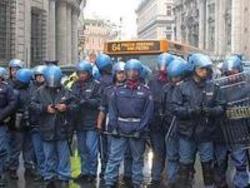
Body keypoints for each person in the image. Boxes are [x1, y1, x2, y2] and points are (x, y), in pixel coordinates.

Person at [172, 53, 224, 188]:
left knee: (208, 166)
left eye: (206, 69)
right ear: (194, 68)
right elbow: (175, 108)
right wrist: (190, 111)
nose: (204, 71)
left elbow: (221, 107)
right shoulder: (182, 87)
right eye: (201, 68)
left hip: (206, 133)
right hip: (186, 133)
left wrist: (210, 111)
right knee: (184, 166)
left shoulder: (213, 86)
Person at [104, 59, 154, 188]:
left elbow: (147, 114)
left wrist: (141, 130)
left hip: (137, 129)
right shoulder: (118, 90)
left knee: (137, 159)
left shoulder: (145, 92)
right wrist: (113, 127)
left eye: (135, 71)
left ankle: (137, 183)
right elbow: (112, 110)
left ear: (139, 73)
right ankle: (109, 182)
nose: (132, 74)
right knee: (114, 158)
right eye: (129, 71)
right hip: (120, 129)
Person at [31, 65, 77, 186]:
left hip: (62, 128)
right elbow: (32, 106)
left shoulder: (66, 91)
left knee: (63, 156)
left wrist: (65, 107)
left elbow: (75, 106)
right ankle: (49, 177)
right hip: (46, 128)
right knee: (48, 155)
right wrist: (45, 108)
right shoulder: (39, 92)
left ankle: (64, 177)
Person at [213, 55, 250, 188]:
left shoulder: (246, 88)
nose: (231, 77)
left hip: (239, 132)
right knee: (220, 161)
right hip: (221, 132)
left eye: (234, 73)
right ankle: (221, 184)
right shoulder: (217, 88)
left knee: (240, 162)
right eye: (228, 73)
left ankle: (241, 184)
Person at [147, 53, 175, 187]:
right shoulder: (152, 80)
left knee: (171, 153)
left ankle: (171, 178)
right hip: (156, 123)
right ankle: (156, 177)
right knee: (158, 151)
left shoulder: (175, 80)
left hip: (171, 123)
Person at [97, 61, 127, 184]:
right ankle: (110, 178)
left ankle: (127, 176)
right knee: (110, 153)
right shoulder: (108, 90)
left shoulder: (131, 89)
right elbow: (103, 109)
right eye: (119, 73)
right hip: (111, 125)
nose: (122, 75)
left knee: (128, 154)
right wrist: (99, 124)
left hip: (127, 125)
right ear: (115, 74)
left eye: (124, 73)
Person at [72, 60, 101, 183]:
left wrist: (87, 101)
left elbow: (100, 101)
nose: (82, 75)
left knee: (91, 149)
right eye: (80, 73)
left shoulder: (96, 84)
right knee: (82, 149)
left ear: (89, 73)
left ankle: (92, 172)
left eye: (84, 73)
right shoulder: (75, 85)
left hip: (91, 122)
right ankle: (84, 171)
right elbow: (71, 98)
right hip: (79, 122)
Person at [162, 58, 189, 188]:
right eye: (172, 77)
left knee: (185, 159)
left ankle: (185, 182)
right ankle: (172, 181)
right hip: (170, 128)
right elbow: (162, 107)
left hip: (186, 129)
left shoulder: (189, 88)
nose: (174, 80)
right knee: (171, 156)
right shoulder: (166, 88)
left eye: (177, 77)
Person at [8, 68, 35, 180]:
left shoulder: (26, 89)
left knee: (27, 147)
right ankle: (13, 168)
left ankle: (27, 168)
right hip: (19, 123)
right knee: (17, 148)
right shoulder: (16, 91)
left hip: (25, 122)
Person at [95, 54, 114, 179]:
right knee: (112, 147)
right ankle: (110, 171)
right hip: (111, 118)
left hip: (101, 117)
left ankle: (104, 169)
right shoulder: (113, 79)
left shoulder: (98, 81)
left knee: (103, 147)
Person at [29, 65, 47, 181]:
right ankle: (40, 171)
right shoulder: (31, 88)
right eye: (38, 76)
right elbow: (30, 104)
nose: (40, 78)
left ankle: (46, 172)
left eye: (42, 76)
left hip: (46, 124)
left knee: (45, 151)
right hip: (34, 124)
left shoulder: (49, 88)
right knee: (37, 151)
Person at [0, 67, 17, 186]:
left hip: (1, 124)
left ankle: (1, 175)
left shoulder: (7, 88)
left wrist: (1, 115)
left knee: (3, 150)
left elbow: (12, 104)